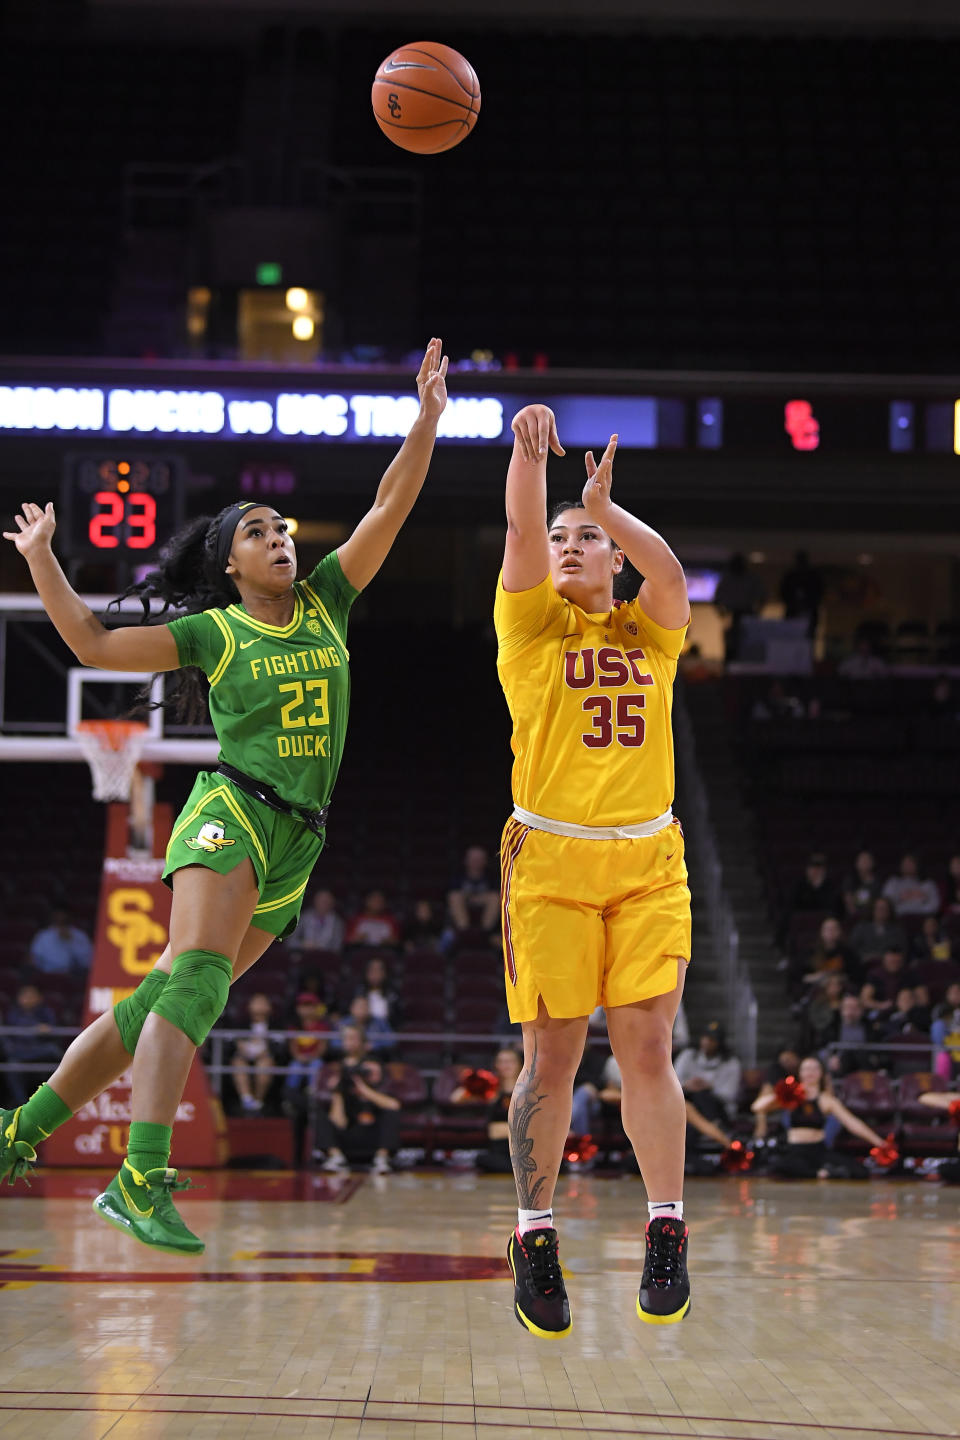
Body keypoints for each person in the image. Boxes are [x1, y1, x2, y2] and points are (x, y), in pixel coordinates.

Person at [0, 338, 449, 1254]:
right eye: (258, 531)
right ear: (231, 563)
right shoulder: (213, 630)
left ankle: (19, 1130)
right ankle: (142, 1174)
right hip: (231, 808)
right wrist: (43, 556)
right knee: (198, 979)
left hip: (301, 839)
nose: (280, 538)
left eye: (283, 527)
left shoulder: (328, 600)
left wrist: (428, 418)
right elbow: (90, 643)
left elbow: (388, 504)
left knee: (156, 1004)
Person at [495, 404, 693, 1335]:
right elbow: (522, 529)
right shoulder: (530, 628)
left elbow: (672, 572)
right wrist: (531, 463)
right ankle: (534, 1231)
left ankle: (667, 1224)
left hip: (649, 858)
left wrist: (606, 508)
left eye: (588, 540)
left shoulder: (652, 633)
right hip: (550, 862)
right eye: (565, 539)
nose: (570, 547)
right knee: (555, 1057)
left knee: (647, 1047)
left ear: (612, 557)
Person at [752, 1054, 889, 1178]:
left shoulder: (826, 1100)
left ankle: (818, 1172)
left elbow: (852, 1123)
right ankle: (818, 1173)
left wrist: (879, 1142)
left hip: (818, 1150)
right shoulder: (791, 1095)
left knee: (859, 1171)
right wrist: (783, 1093)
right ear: (800, 1073)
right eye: (806, 1069)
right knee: (778, 1165)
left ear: (821, 1073)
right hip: (795, 1150)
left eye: (814, 1069)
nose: (810, 1072)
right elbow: (757, 1107)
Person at [314, 1022, 400, 1175]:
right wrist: (337, 1091)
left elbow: (393, 1105)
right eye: (346, 1038)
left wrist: (364, 1089)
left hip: (373, 1130)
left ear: (362, 1042)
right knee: (319, 1112)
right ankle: (336, 1157)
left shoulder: (374, 1065)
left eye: (353, 1038)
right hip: (348, 1130)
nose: (349, 1042)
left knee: (390, 1113)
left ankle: (382, 1159)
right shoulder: (336, 1068)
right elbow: (339, 1121)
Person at [673, 1021, 742, 1131]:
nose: (707, 1042)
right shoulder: (688, 1055)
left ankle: (715, 1127)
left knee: (702, 1095)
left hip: (718, 1108)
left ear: (720, 1042)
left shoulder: (730, 1062)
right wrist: (688, 1085)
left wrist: (709, 1087)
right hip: (688, 1102)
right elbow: (673, 1082)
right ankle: (711, 1129)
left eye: (712, 1040)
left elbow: (729, 1094)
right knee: (690, 1108)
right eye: (705, 1038)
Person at [2, 985, 62, 1107]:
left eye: (31, 996)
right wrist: (35, 1028)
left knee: (55, 1053)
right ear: (19, 998)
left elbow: (53, 1032)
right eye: (25, 996)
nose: (28, 999)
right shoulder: (13, 1013)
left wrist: (45, 1031)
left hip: (40, 1051)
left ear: (39, 998)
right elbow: (12, 1036)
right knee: (12, 1067)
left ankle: (53, 1102)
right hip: (20, 1051)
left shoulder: (45, 1012)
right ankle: (21, 1105)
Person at [229, 992, 277, 1113]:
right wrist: (241, 1048)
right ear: (249, 1006)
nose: (259, 1005)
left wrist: (265, 1051)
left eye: (263, 1002)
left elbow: (278, 1046)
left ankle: (258, 1100)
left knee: (264, 1064)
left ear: (269, 1007)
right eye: (256, 1002)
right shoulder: (241, 1024)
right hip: (244, 1056)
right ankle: (247, 1098)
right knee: (238, 1063)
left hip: (264, 1057)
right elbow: (235, 1043)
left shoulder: (275, 1025)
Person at [712, 552, 764, 663]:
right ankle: (729, 671)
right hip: (732, 615)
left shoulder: (751, 578)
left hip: (748, 615)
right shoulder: (727, 579)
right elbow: (716, 599)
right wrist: (722, 613)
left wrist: (757, 612)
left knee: (748, 646)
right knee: (731, 646)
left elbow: (763, 596)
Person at [446, 845, 501, 939]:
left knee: (495, 897)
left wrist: (473, 898)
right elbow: (453, 893)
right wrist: (474, 898)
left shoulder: (492, 876)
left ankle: (485, 934)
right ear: (466, 860)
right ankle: (465, 934)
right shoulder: (457, 876)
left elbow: (496, 893)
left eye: (479, 859)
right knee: (455, 897)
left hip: (485, 911)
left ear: (485, 861)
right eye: (473, 859)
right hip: (462, 911)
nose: (476, 862)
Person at [28, 907, 93, 975]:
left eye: (63, 917)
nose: (60, 918)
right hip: (47, 975)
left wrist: (71, 942)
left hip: (73, 976)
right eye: (57, 916)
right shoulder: (43, 935)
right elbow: (34, 959)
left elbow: (87, 962)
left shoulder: (80, 935)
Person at [849, 896, 908, 967]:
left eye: (884, 909)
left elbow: (902, 950)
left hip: (890, 965)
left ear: (889, 911)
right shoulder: (861, 928)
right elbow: (853, 948)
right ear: (873, 910)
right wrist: (865, 957)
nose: (881, 911)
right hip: (864, 964)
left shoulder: (897, 930)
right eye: (878, 908)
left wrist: (886, 957)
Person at [779, 550, 823, 639]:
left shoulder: (814, 576)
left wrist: (808, 603)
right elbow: (783, 593)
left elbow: (819, 593)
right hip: (793, 611)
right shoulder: (790, 576)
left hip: (809, 610)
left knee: (808, 636)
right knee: (791, 636)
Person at [882, 853, 941, 917]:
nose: (908, 866)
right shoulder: (893, 882)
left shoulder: (928, 884)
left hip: (923, 918)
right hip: (898, 918)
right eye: (905, 863)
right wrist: (900, 898)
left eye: (911, 862)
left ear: (917, 865)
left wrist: (920, 911)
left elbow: (935, 905)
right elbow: (886, 903)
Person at [289, 888, 345, 954]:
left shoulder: (337, 922)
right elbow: (290, 942)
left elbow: (337, 947)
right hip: (304, 955)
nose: (323, 904)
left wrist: (319, 947)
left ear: (332, 903)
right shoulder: (304, 917)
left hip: (326, 957)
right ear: (315, 901)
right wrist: (303, 944)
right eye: (320, 901)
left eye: (326, 901)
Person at [841, 850, 881, 921]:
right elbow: (848, 899)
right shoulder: (851, 880)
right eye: (862, 860)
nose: (864, 862)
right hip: (855, 916)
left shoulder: (877, 882)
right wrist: (855, 915)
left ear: (872, 863)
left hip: (872, 917)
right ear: (857, 863)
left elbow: (878, 901)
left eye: (867, 860)